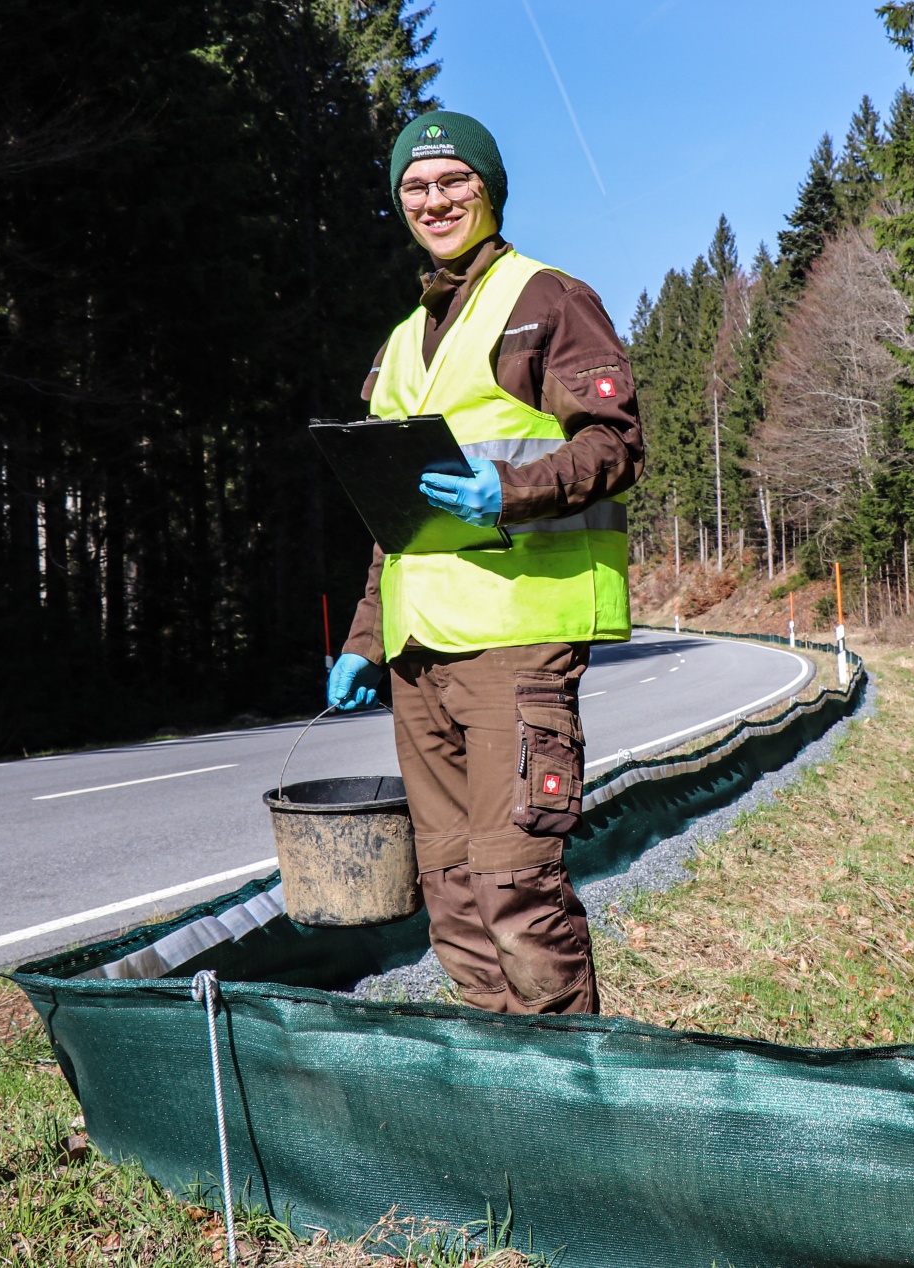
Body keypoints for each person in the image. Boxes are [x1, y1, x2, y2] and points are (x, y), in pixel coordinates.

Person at [325, 109, 640, 1014]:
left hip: (517, 645)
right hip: (421, 655)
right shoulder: (398, 347)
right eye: (416, 187)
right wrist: (365, 639)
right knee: (454, 899)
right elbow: (393, 519)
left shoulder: (547, 302)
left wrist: (512, 492)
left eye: (454, 180)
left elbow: (615, 444)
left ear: (490, 189)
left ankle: (570, 1115)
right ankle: (504, 1112)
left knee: (516, 891)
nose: (436, 199)